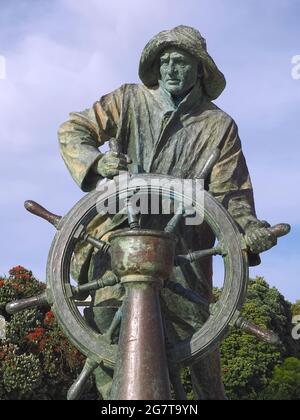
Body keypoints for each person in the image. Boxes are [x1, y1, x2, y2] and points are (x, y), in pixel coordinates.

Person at [58, 25, 277, 400]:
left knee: (200, 347)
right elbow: (74, 129)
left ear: (199, 69)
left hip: (184, 250)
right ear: (156, 68)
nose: (172, 70)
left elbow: (232, 194)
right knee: (109, 336)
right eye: (165, 62)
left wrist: (249, 228)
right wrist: (97, 161)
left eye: (182, 62)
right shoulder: (128, 100)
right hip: (118, 242)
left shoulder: (218, 125)